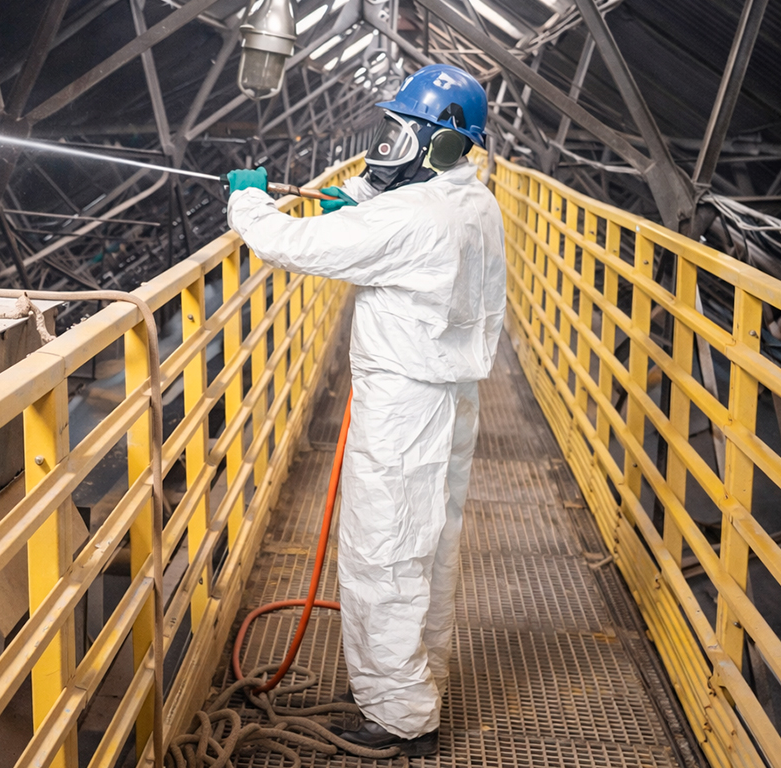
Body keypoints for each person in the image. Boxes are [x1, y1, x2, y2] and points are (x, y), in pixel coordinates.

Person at [223, 63, 505, 757]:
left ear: (436, 144)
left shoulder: (412, 220)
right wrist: (360, 201)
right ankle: (417, 679)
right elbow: (394, 215)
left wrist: (249, 203)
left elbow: (292, 246)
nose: (388, 144)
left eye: (402, 132)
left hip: (404, 410)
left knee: (383, 557)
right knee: (426, 551)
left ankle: (400, 716)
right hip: (450, 399)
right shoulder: (473, 202)